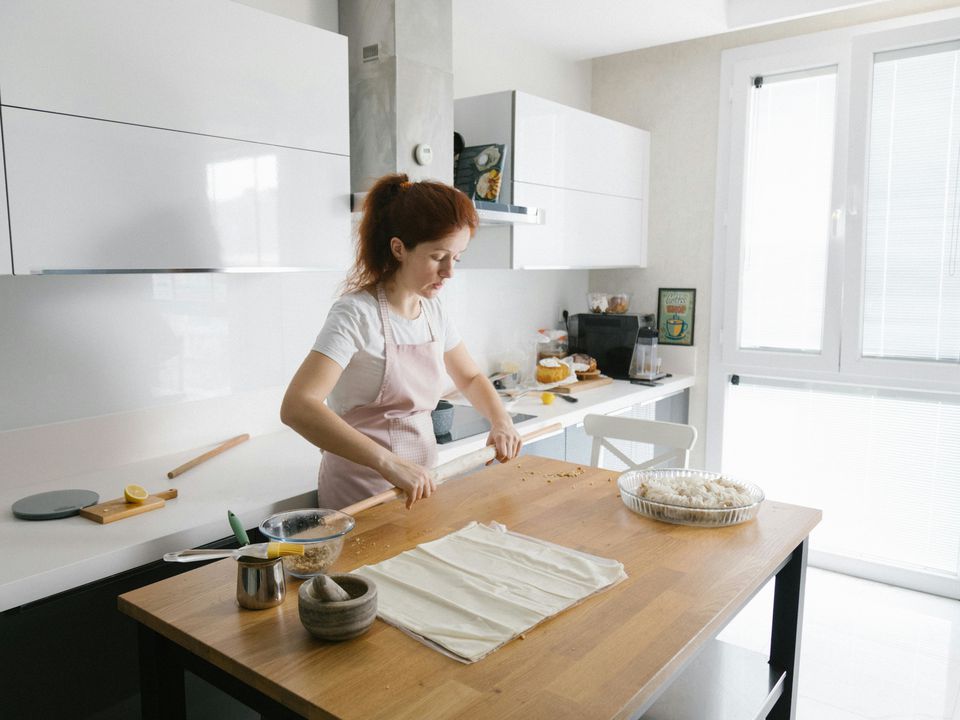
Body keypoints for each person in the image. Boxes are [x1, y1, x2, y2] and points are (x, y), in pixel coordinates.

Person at [281, 173, 523, 510]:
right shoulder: (355, 314)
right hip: (360, 491)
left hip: (422, 484)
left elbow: (469, 377)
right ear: (399, 248)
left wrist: (501, 421)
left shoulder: (433, 311)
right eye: (438, 257)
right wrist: (389, 463)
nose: (450, 272)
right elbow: (297, 406)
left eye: (457, 258)